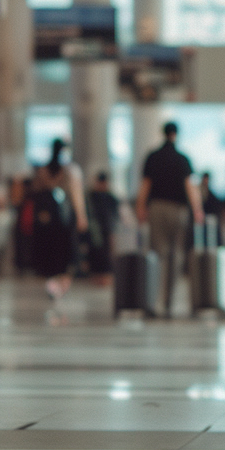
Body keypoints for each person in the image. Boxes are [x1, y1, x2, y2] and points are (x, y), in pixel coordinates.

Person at [135, 122, 203, 317]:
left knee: (158, 254)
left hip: (156, 208)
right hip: (178, 210)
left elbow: (145, 185)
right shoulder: (183, 159)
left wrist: (141, 208)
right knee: (176, 255)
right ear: (176, 135)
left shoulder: (153, 157)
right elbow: (190, 187)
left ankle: (154, 301)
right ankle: (168, 302)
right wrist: (197, 210)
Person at [31, 139, 88, 301]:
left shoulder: (43, 170)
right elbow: (76, 196)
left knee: (51, 253)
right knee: (67, 254)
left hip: (47, 220)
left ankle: (52, 283)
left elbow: (36, 194)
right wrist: (81, 216)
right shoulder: (71, 170)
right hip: (66, 218)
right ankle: (61, 285)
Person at [85, 172, 122, 282]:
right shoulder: (91, 196)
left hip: (107, 229)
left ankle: (106, 276)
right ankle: (95, 275)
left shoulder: (110, 197)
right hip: (94, 229)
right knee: (95, 252)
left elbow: (115, 215)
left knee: (107, 254)